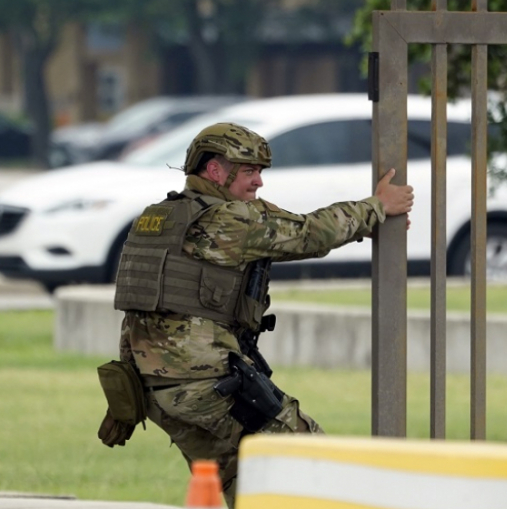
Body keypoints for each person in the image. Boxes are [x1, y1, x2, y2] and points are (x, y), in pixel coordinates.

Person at [112, 122, 413, 508]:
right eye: (249, 170)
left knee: (249, 487)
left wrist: (125, 400)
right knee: (315, 461)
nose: (258, 182)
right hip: (207, 388)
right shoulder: (229, 221)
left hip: (155, 394)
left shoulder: (158, 219)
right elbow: (307, 233)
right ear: (215, 170)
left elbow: (136, 312)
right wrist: (377, 207)